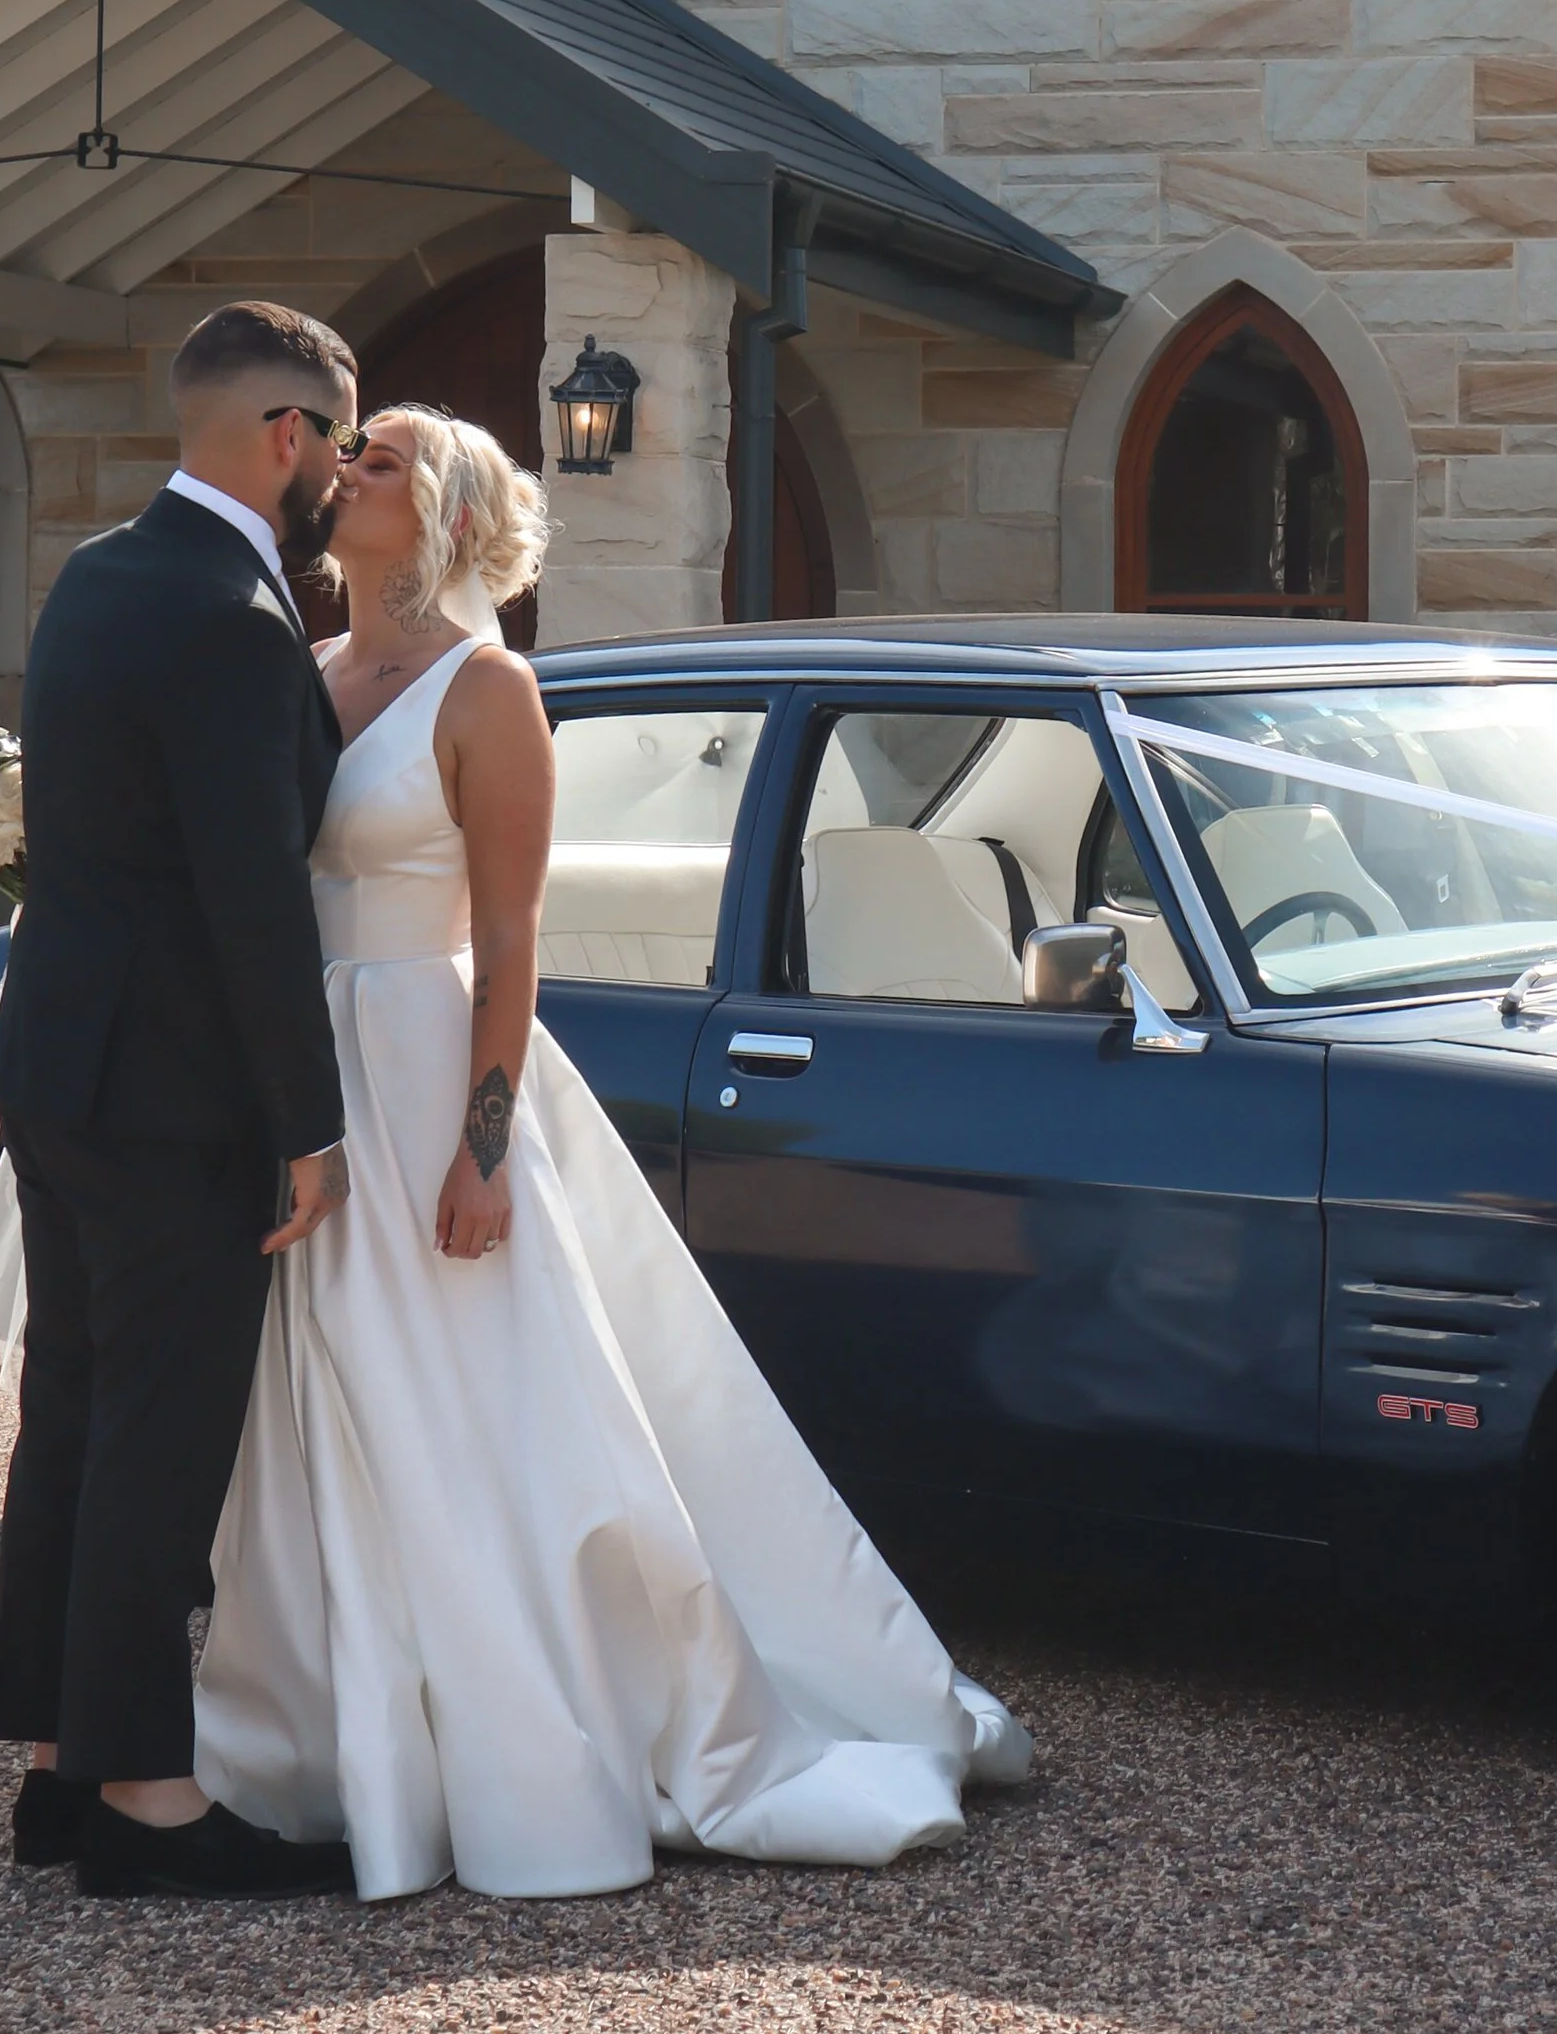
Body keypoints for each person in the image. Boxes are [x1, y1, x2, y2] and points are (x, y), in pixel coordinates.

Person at [192, 403, 1029, 1899]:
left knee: (465, 1406)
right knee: (321, 1393)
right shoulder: (305, 668)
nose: (346, 469)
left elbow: (511, 934)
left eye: (379, 455)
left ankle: (528, 1737)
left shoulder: (488, 685)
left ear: (443, 511)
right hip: (308, 1073)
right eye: (353, 451)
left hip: (428, 1057)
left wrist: (485, 1145)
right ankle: (331, 1741)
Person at [0, 302, 363, 1902]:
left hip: (57, 1071)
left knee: (70, 1415)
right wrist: (312, 1116)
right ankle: (144, 1797)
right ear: (290, 437)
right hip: (169, 1101)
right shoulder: (231, 612)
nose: (343, 469)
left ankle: (63, 1767)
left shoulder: (96, 573)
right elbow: (247, 896)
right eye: (339, 441)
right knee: (158, 1434)